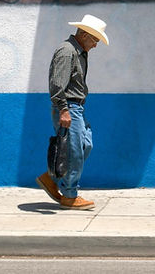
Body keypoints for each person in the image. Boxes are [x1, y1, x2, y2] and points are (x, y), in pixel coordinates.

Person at [36, 14, 109, 210]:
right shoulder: (67, 52)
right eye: (95, 40)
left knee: (85, 145)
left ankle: (51, 178)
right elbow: (57, 84)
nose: (95, 45)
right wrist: (63, 110)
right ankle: (69, 194)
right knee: (75, 151)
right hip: (68, 107)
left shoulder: (79, 53)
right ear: (84, 34)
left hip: (77, 107)